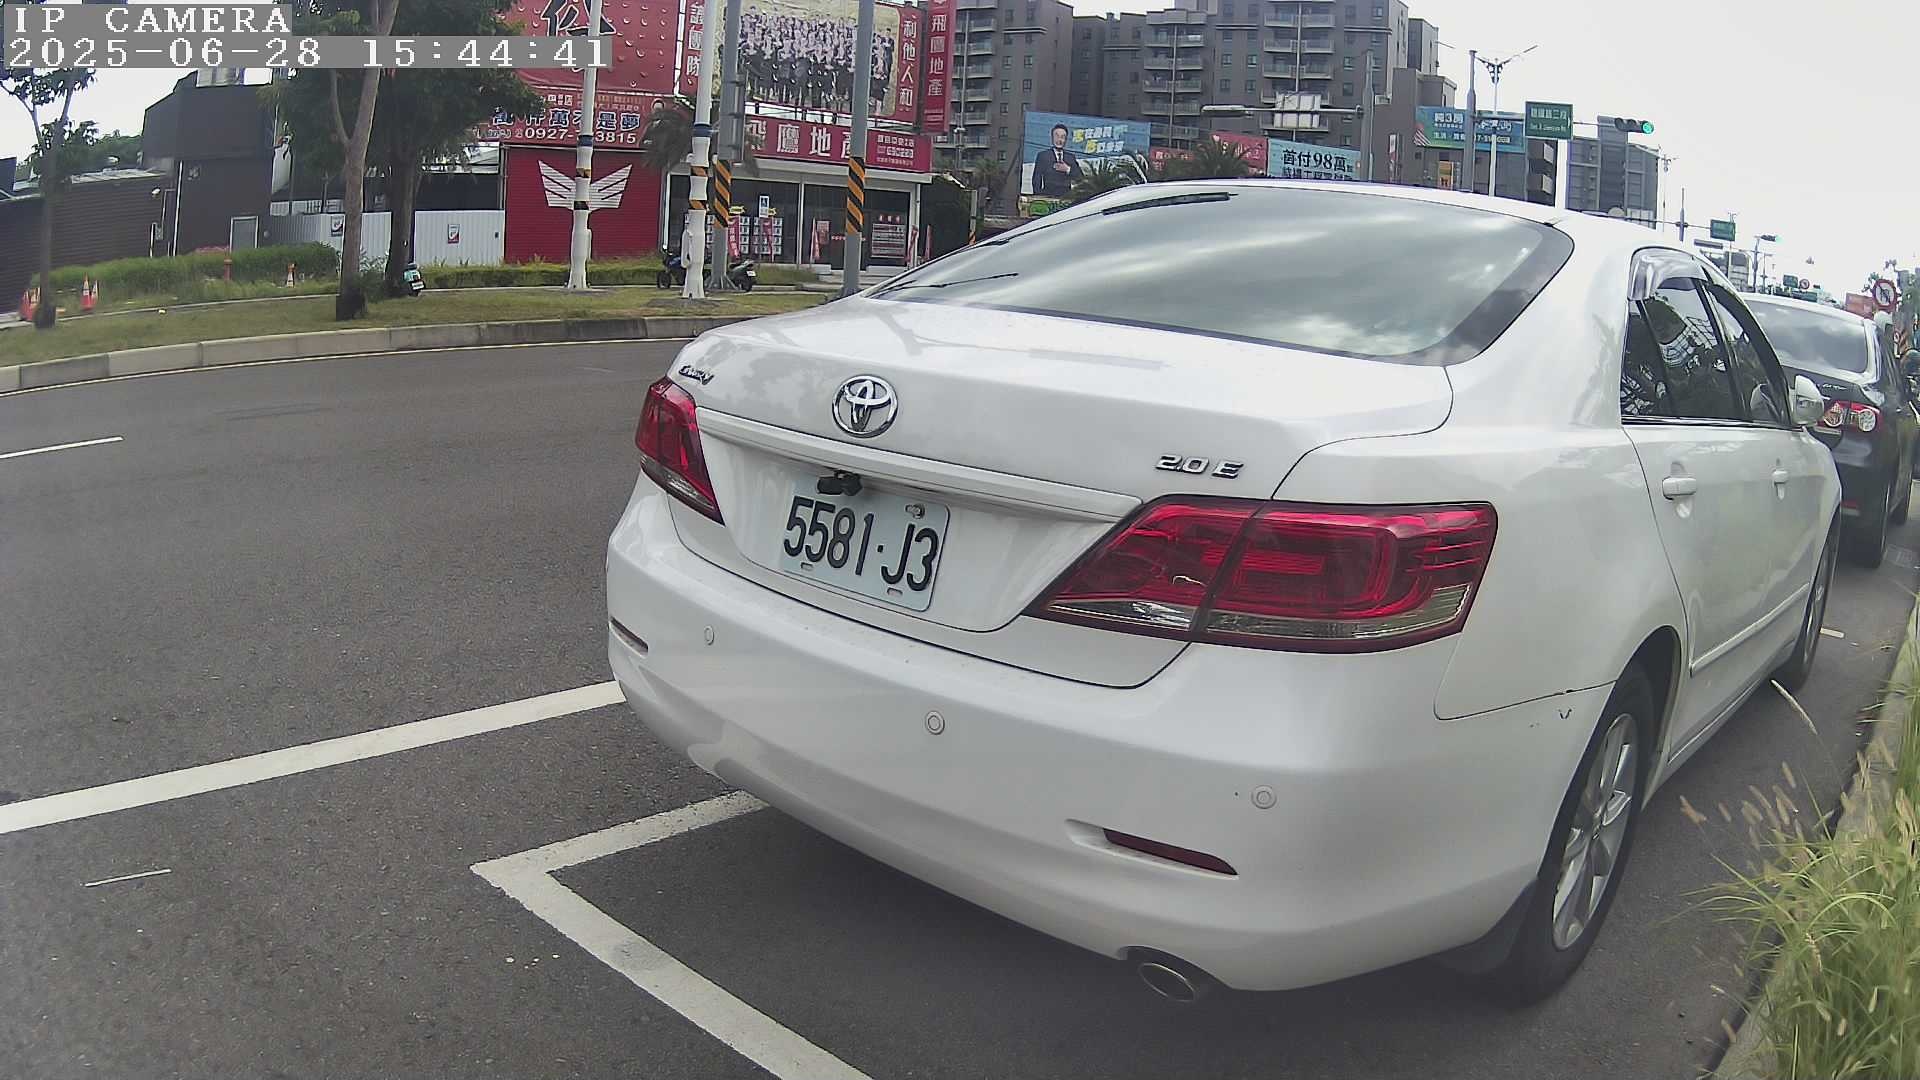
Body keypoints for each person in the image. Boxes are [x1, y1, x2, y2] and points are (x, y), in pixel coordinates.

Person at [1032, 123, 1081, 196]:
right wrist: (1038, 196)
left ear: (1066, 140)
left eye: (1062, 137)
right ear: (1052, 137)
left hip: (1066, 197)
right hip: (1048, 195)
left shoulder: (1070, 158)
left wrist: (1068, 169)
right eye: (1057, 136)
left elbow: (1080, 178)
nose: (1059, 140)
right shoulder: (1043, 156)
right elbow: (1036, 179)